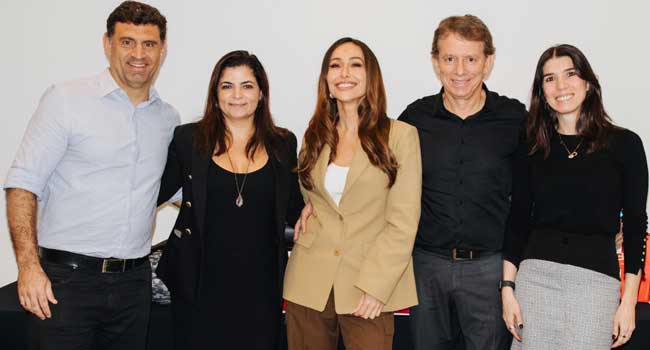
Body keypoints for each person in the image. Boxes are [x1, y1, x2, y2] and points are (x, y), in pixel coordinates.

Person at [3, 2, 178, 349]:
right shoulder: (66, 100)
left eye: (149, 44)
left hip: (135, 285)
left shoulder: (168, 120)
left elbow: (185, 191)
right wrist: (28, 267)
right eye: (127, 42)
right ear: (107, 44)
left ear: (162, 49)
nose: (138, 54)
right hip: (66, 282)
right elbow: (23, 184)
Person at [502, 44, 647, 350]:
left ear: (588, 82)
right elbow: (517, 219)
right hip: (535, 280)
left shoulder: (625, 145)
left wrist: (628, 302)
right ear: (541, 90)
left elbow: (635, 225)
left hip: (596, 284)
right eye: (549, 79)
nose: (561, 86)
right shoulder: (531, 145)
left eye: (570, 74)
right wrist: (507, 289)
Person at [156, 50, 304, 350]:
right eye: (227, 86)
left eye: (247, 86)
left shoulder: (282, 143)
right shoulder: (188, 140)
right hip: (199, 285)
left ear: (261, 93)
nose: (237, 95)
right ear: (215, 93)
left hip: (260, 286)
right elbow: (152, 193)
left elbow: (294, 207)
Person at [283, 37, 422, 350]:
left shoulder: (400, 136)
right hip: (308, 281)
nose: (344, 72)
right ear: (327, 82)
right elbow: (313, 194)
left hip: (367, 288)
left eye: (355, 64)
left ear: (370, 76)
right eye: (335, 65)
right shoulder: (315, 134)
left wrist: (377, 287)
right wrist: (306, 206)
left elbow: (404, 221)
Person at [397, 15, 526, 350]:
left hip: (489, 268)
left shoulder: (515, 119)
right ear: (435, 62)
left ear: (488, 62)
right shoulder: (414, 119)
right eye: (449, 58)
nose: (459, 70)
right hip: (426, 266)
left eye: (471, 59)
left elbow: (542, 184)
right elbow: (383, 180)